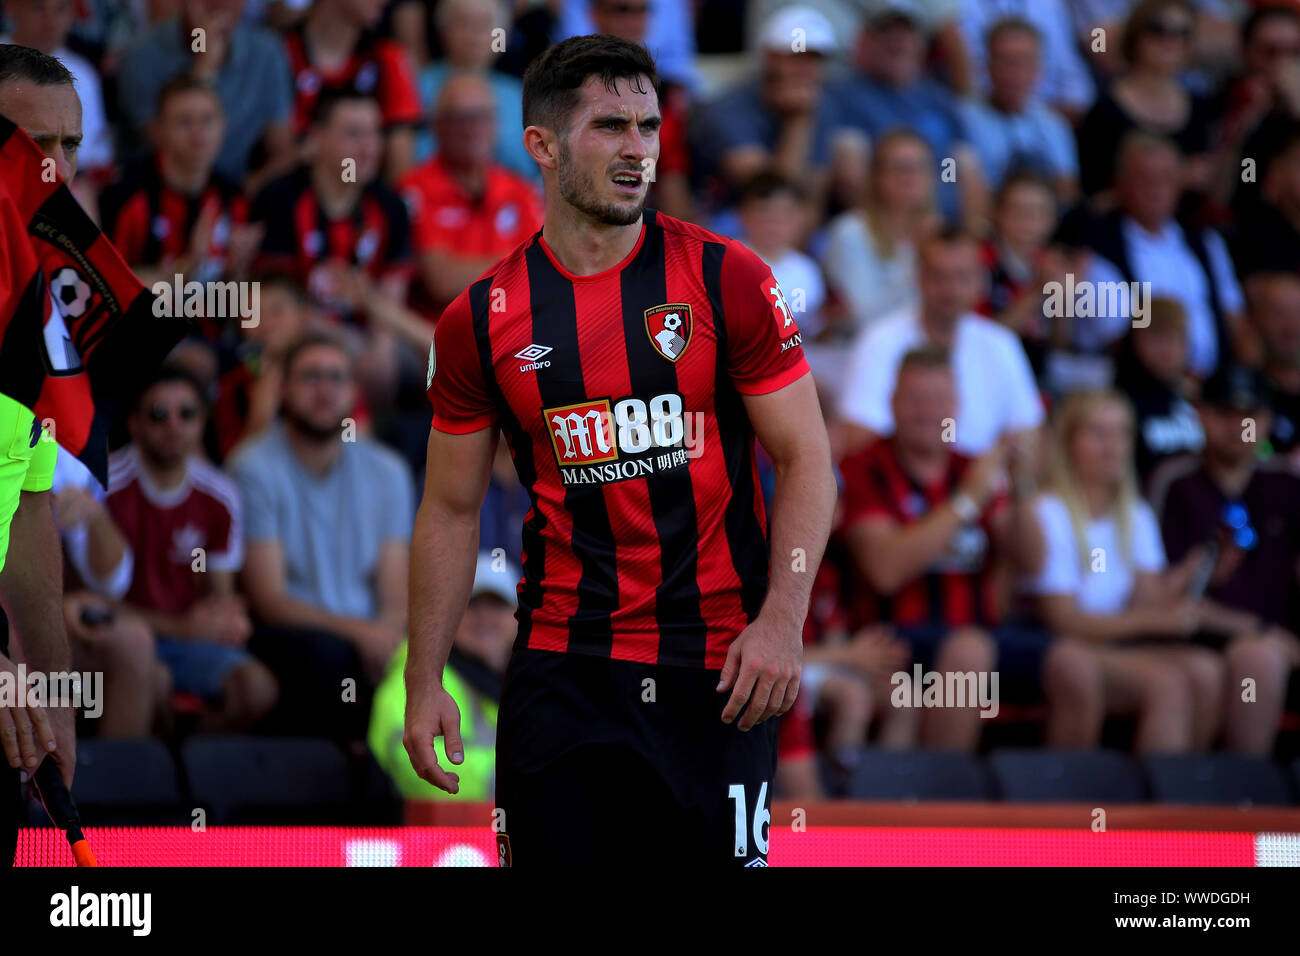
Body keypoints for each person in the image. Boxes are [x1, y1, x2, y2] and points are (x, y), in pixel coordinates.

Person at [406, 34, 837, 867]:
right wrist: (425, 678)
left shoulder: (728, 278)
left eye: (648, 126)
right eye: (610, 127)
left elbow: (809, 458)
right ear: (541, 145)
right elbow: (451, 509)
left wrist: (784, 621)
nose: (638, 149)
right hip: (564, 670)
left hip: (719, 668)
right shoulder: (480, 320)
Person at [841, 347, 1101, 751]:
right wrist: (967, 501)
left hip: (984, 633)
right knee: (969, 653)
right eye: (915, 399)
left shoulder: (969, 467)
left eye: (939, 400)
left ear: (957, 406)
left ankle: (1058, 806)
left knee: (1075, 664)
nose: (928, 412)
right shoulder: (864, 467)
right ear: (892, 403)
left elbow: (1032, 561)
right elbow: (884, 569)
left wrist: (1024, 486)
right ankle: (942, 803)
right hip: (894, 641)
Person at [228, 332, 415, 743]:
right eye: (310, 377)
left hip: (369, 637)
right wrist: (362, 634)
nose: (325, 389)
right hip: (294, 637)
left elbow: (395, 591)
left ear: (354, 392)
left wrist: (385, 635)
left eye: (337, 377)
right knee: (329, 657)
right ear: (283, 390)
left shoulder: (389, 472)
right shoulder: (253, 467)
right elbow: (269, 600)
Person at [1023, 390, 1224, 753]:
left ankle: (1190, 796)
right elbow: (1062, 619)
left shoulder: (1137, 514)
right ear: (1068, 443)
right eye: (1098, 433)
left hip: (1118, 644)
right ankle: (1150, 807)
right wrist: (1156, 620)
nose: (1113, 447)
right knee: (1169, 684)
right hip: (1065, 648)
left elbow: (1144, 602)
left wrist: (1184, 580)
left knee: (1208, 672)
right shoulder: (1046, 512)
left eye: (1122, 433)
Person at [107, 367, 278, 732]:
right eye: (158, 414)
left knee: (257, 689)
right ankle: (143, 778)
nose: (173, 425)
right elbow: (85, 602)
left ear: (202, 423)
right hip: (118, 640)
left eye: (186, 414)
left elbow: (220, 595)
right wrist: (180, 627)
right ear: (134, 423)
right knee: (153, 680)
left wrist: (226, 620)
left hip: (189, 644)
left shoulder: (219, 494)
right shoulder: (103, 488)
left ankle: (187, 769)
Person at [1150, 364, 1300, 755]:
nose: (1238, 425)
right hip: (1196, 639)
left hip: (1281, 639)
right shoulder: (1174, 482)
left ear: (1267, 420)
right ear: (1200, 415)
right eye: (1225, 413)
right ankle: (1243, 799)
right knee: (1258, 658)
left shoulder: (1288, 484)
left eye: (1249, 415)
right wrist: (1260, 630)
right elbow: (1161, 593)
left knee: (1261, 655)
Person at [837, 227, 1045, 458]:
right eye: (939, 276)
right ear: (919, 277)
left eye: (962, 277)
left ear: (980, 281)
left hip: (984, 486)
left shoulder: (1001, 344)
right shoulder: (878, 340)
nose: (951, 290)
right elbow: (858, 435)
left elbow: (1028, 434)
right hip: (900, 486)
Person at [1080, 133, 1247, 379]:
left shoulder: (1206, 242)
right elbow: (1116, 339)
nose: (1156, 189)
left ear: (1180, 183)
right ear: (1120, 184)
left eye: (1166, 179)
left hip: (1216, 389)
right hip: (1142, 389)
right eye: (1144, 179)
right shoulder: (1099, 248)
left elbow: (1237, 323)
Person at [369, 553, 518, 801]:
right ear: (448, 614)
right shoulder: (419, 673)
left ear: (518, 616)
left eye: (498, 605)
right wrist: (513, 778)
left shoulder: (523, 679)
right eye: (472, 605)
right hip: (434, 835)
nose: (485, 617)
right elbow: (414, 765)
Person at [833, 0, 989, 226]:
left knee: (959, 164)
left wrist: (969, 233)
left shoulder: (940, 99)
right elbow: (849, 177)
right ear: (866, 41)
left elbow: (966, 170)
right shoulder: (847, 96)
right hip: (882, 230)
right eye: (886, 31)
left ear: (922, 43)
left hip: (943, 230)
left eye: (907, 32)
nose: (897, 40)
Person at [399, 71, 543, 313]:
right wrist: (518, 265)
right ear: (437, 126)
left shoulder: (520, 190)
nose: (472, 129)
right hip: (438, 335)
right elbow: (441, 281)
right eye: (459, 118)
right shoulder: (414, 190)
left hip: (513, 331)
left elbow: (543, 271)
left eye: (482, 117)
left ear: (496, 125)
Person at [100, 75, 258, 292]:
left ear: (223, 126)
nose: (198, 133)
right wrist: (188, 264)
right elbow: (108, 283)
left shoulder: (234, 197)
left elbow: (237, 302)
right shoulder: (127, 194)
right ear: (158, 130)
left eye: (208, 120)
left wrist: (238, 269)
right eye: (184, 121)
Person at [116, 0, 296, 189]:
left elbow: (283, 152)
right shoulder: (142, 55)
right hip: (161, 191)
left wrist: (242, 196)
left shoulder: (267, 52)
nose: (220, 3)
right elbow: (172, 150)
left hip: (237, 193)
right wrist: (204, 65)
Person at [691, 5, 845, 219]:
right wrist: (798, 120)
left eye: (814, 59)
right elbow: (772, 196)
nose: (806, 69)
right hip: (722, 223)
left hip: (788, 230)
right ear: (770, 57)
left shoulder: (821, 105)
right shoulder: (729, 110)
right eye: (797, 57)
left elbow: (814, 197)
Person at [1077, 0, 1215, 198]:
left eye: (1182, 33)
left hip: (1187, 226)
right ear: (1135, 36)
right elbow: (1092, 198)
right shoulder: (1104, 111)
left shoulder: (1201, 106)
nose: (1171, 40)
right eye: (1158, 30)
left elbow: (1218, 186)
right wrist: (1172, 179)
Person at [283, 0, 421, 182]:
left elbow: (400, 170)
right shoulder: (280, 53)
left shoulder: (388, 58)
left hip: (364, 198)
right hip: (291, 196)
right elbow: (277, 156)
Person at [821, 129, 937, 337]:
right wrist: (920, 258)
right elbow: (863, 317)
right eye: (899, 168)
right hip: (859, 351)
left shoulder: (940, 235)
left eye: (918, 167)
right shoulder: (850, 232)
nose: (909, 177)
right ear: (876, 176)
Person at [960, 17, 1079, 199]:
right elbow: (954, 183)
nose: (1014, 72)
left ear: (1038, 69)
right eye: (1005, 61)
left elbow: (1068, 192)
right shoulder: (962, 119)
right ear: (986, 65)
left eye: (1024, 61)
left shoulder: (1053, 124)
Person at [412, 0, 531, 180]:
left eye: (485, 24)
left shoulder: (515, 94)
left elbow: (525, 168)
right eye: (463, 22)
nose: (474, 33)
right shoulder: (419, 86)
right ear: (444, 32)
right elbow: (415, 158)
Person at [735, 170, 827, 339]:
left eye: (785, 213)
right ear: (743, 214)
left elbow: (810, 327)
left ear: (801, 218)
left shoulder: (807, 270)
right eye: (764, 212)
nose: (775, 222)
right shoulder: (727, 262)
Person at [1250, 271, 1300, 462]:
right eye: (1278, 313)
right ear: (1256, 320)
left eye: (1297, 312)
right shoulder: (1244, 397)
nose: (1291, 326)